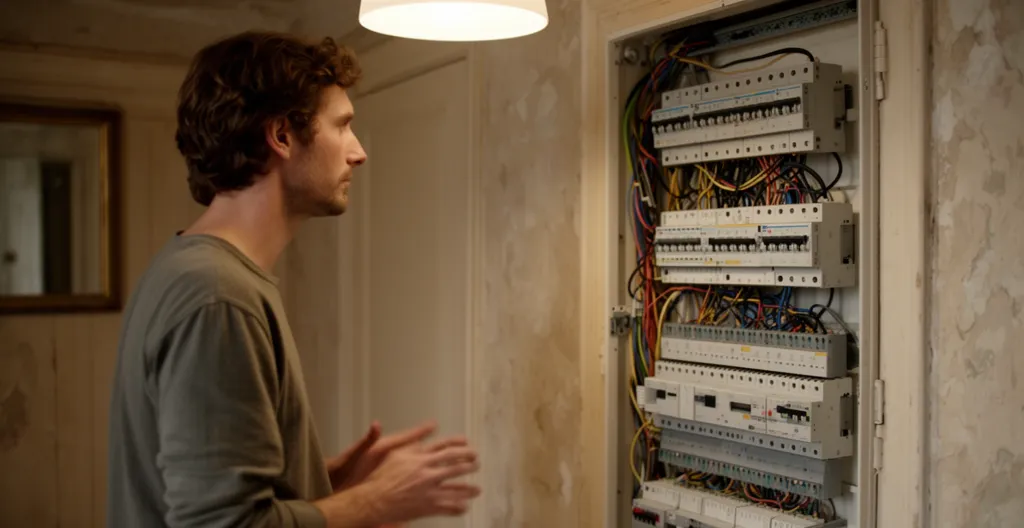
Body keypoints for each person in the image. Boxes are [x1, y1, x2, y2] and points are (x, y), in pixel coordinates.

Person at [106, 31, 481, 528]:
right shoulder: (217, 295)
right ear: (282, 136)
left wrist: (321, 485)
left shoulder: (193, 271)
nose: (359, 152)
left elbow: (217, 490)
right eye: (342, 126)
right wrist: (375, 502)